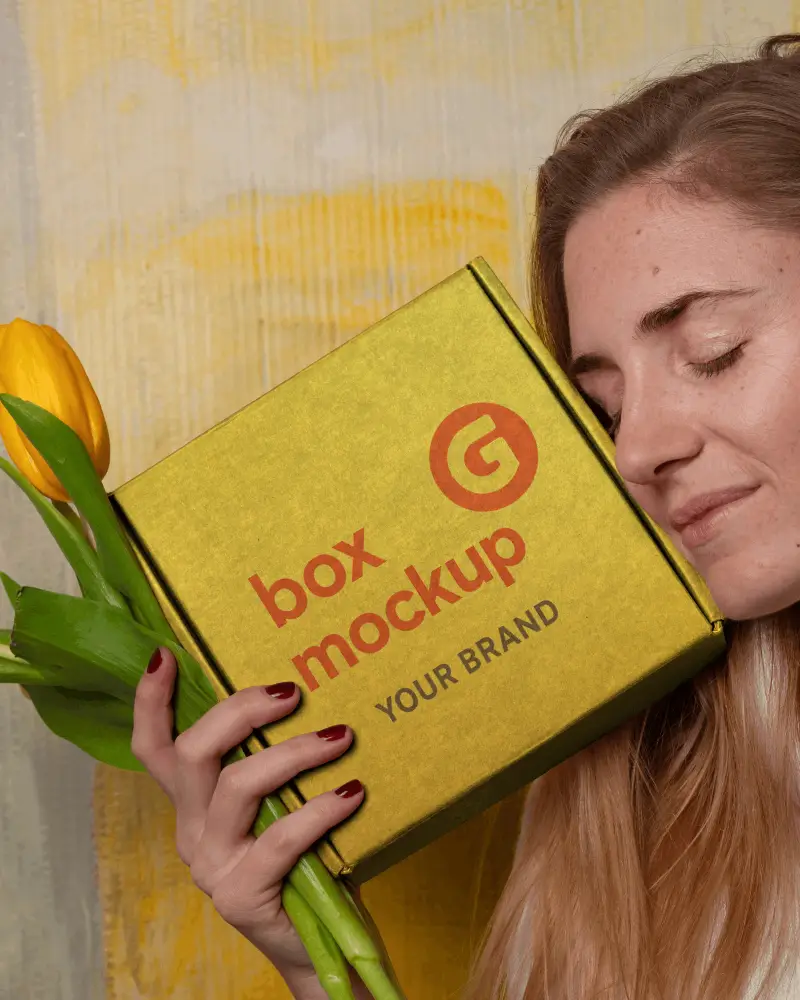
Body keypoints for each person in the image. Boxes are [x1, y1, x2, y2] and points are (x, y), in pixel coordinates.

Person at [132, 32, 800, 1000]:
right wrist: (313, 953)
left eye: (711, 349)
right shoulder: (637, 796)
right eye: (603, 406)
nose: (634, 449)